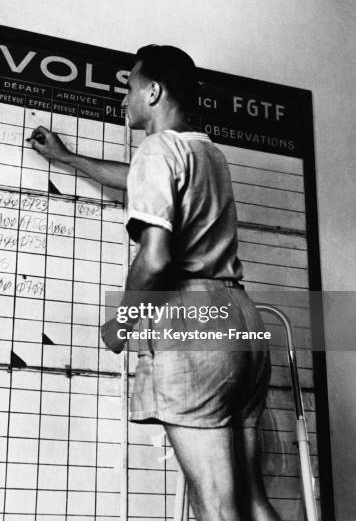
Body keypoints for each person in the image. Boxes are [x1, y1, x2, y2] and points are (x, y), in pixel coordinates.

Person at [28, 45, 281, 521]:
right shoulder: (207, 153)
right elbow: (137, 179)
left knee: (215, 503)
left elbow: (157, 256)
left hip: (193, 320)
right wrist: (68, 159)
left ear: (153, 90)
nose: (123, 100)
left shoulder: (156, 150)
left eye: (128, 88)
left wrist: (122, 321)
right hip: (241, 319)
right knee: (250, 499)